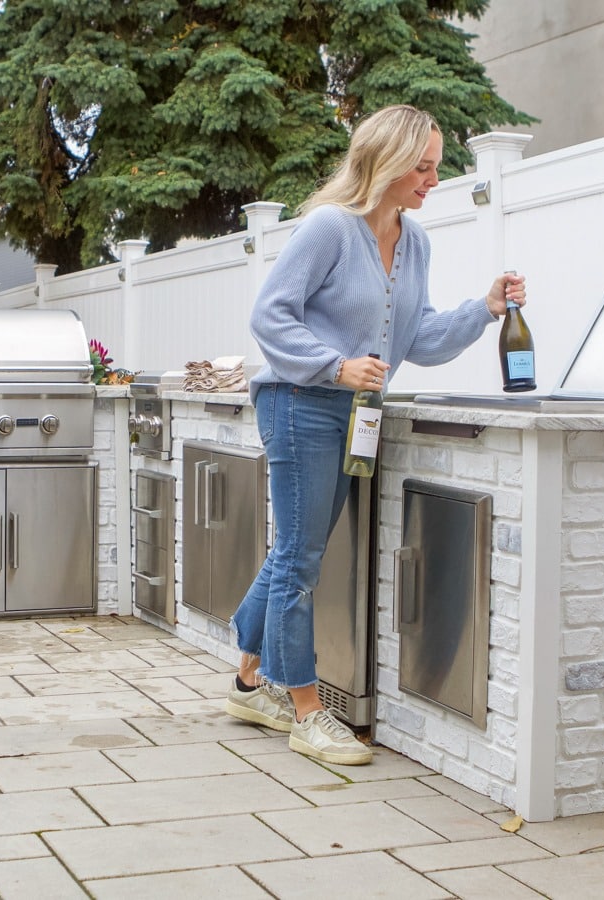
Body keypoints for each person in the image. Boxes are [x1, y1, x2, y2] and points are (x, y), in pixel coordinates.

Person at [224, 104, 526, 765]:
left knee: (294, 554)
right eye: (422, 167)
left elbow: (414, 337)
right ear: (387, 162)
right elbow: (269, 316)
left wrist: (485, 310)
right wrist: (336, 364)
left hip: (353, 412)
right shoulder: (330, 228)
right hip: (301, 400)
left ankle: (250, 680)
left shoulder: (415, 242)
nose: (432, 180)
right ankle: (306, 711)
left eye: (436, 167)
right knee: (302, 559)